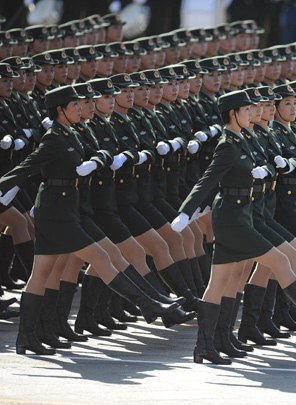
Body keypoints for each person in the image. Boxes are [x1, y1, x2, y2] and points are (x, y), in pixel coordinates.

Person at [172, 90, 296, 364]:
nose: (252, 113)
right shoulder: (227, 144)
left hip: (244, 215)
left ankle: (210, 343)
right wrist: (186, 211)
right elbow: (208, 179)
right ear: (233, 114)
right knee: (280, 260)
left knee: (222, 281)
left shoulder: (245, 138)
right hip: (232, 219)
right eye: (247, 110)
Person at [0, 85, 179, 355]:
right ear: (60, 109)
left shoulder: (70, 133)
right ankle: (148, 305)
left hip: (64, 208)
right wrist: (5, 186)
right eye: (74, 104)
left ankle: (33, 335)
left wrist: (98, 159)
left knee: (43, 273)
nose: (81, 108)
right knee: (100, 257)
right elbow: (29, 166)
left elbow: (92, 153)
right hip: (56, 212)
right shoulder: (54, 137)